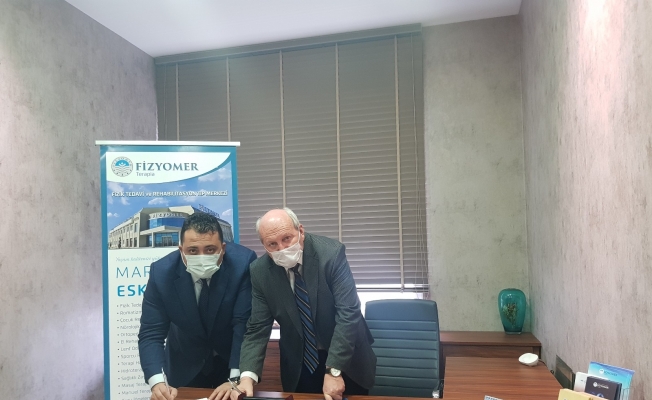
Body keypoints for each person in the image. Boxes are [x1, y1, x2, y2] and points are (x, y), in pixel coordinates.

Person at [232, 208, 376, 400]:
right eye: (272, 244)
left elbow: (348, 313)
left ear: (300, 230)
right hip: (301, 361)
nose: (281, 248)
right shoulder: (260, 272)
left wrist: (334, 370)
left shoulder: (330, 254)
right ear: (264, 245)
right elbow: (257, 327)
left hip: (346, 355)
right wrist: (247, 376)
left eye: (287, 238)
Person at [138, 212, 257, 400]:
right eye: (193, 251)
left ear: (223, 248)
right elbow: (151, 332)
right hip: (185, 362)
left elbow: (243, 324)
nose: (202, 257)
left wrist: (236, 378)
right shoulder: (162, 273)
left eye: (210, 249)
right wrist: (157, 382)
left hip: (230, 359)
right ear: (181, 250)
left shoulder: (242, 263)